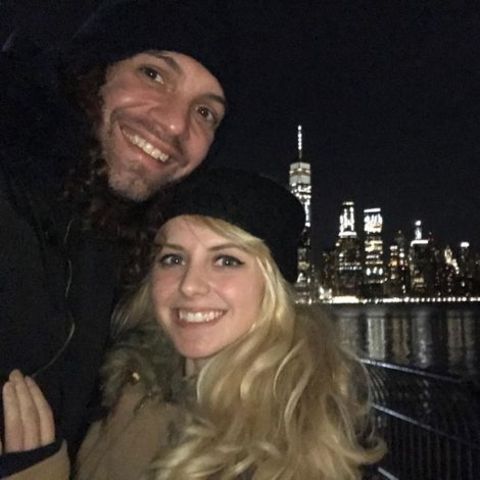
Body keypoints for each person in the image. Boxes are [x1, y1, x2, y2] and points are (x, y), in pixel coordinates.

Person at [2, 168, 385, 479]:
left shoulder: (290, 447)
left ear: (272, 288)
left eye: (226, 260)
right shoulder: (122, 384)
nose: (189, 285)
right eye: (173, 258)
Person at [0, 0, 235, 474]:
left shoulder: (121, 243)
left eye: (205, 112)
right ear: (93, 73)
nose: (175, 123)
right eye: (153, 74)